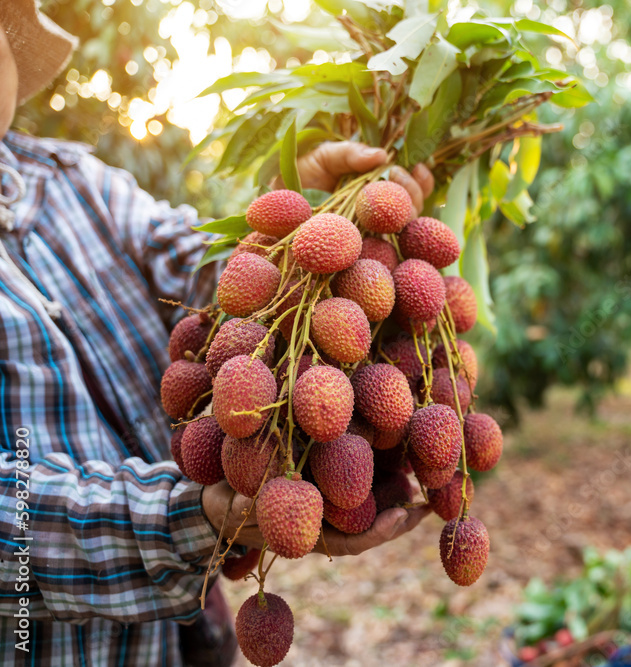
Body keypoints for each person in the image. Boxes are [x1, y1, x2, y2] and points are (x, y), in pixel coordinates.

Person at [0, 1, 432, 664]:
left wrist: (298, 205)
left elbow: (209, 274)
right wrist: (188, 518)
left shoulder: (71, 180)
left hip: (191, 640)